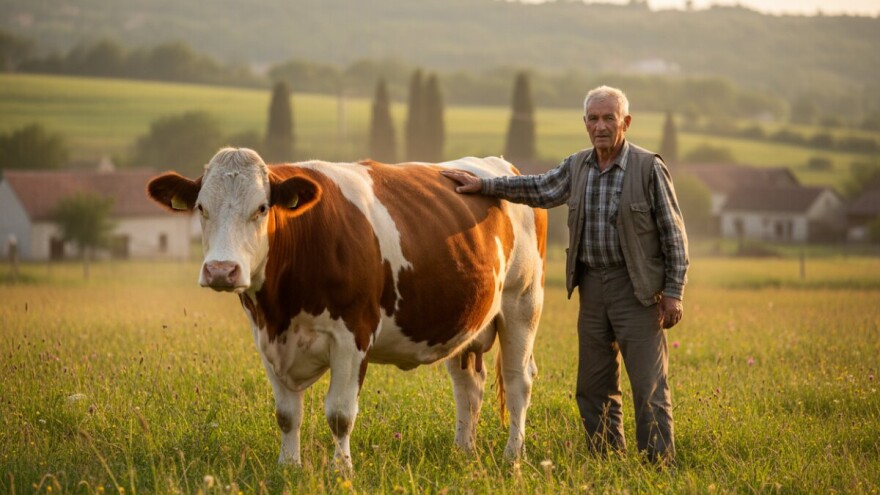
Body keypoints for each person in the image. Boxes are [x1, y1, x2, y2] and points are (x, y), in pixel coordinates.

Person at [441, 85, 688, 465]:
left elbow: (674, 235)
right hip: (592, 287)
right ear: (585, 123)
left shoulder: (648, 168)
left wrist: (673, 293)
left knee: (648, 385)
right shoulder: (578, 166)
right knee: (593, 385)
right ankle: (606, 457)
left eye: (609, 118)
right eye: (594, 118)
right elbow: (538, 188)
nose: (601, 126)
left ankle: (658, 464)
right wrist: (486, 184)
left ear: (626, 122)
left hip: (637, 290)